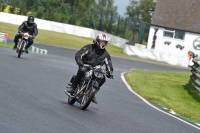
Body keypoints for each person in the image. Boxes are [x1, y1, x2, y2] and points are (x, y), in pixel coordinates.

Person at [66, 33, 114, 104]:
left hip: (95, 70)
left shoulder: (106, 54)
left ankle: (92, 93)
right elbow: (79, 54)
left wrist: (110, 73)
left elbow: (109, 64)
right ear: (98, 41)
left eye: (105, 42)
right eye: (102, 42)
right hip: (85, 65)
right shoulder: (89, 47)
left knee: (103, 78)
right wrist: (80, 63)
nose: (104, 44)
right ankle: (73, 87)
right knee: (82, 70)